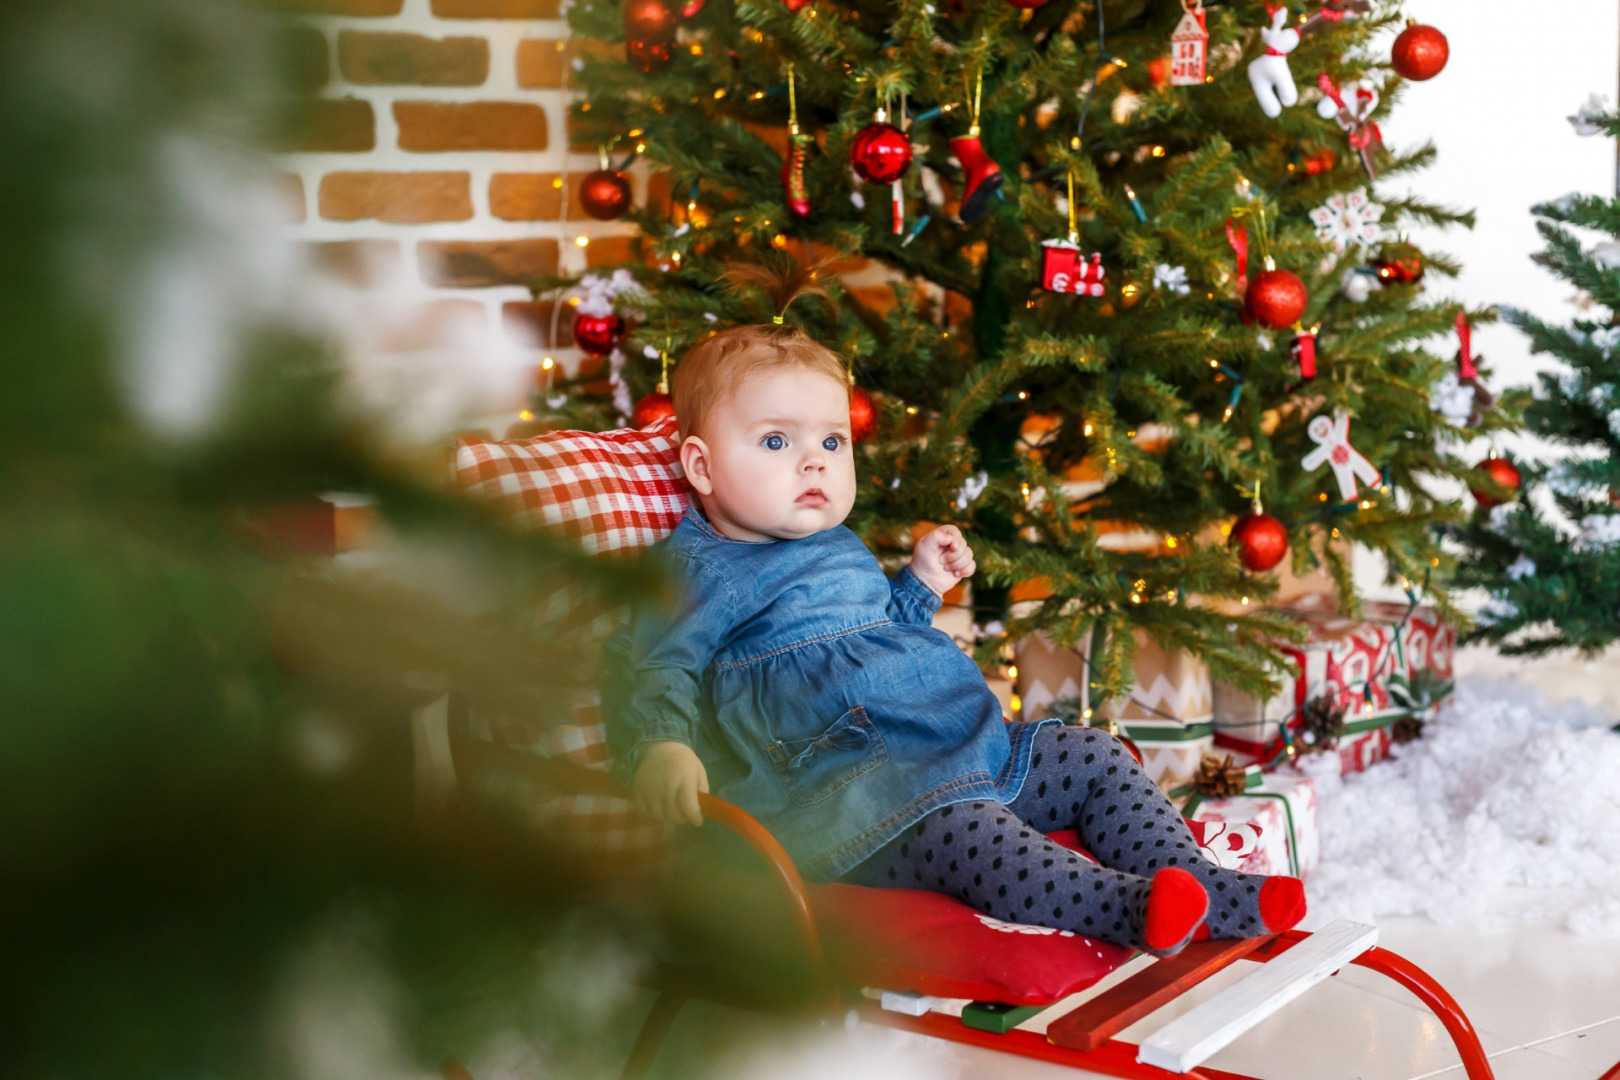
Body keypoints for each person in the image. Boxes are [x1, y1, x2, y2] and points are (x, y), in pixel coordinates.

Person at [604, 263, 1305, 955]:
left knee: (1091, 754)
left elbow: (879, 643)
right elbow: (651, 668)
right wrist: (661, 745)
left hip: (956, 740)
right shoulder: (694, 572)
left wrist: (917, 585)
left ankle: (1201, 886)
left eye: (831, 440)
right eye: (776, 441)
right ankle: (1131, 909)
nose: (814, 462)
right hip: (857, 799)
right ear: (700, 467)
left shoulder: (834, 542)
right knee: (974, 832)